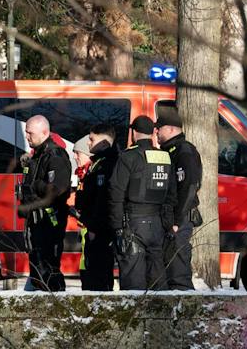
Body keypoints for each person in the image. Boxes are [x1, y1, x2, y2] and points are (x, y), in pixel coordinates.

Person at [107, 114, 177, 291]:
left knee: (133, 279)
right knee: (157, 276)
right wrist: (168, 223)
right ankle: (159, 315)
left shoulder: (128, 157)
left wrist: (117, 227)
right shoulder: (165, 157)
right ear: (153, 132)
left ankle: (135, 317)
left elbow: (116, 192)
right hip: (158, 224)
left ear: (133, 132)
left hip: (133, 223)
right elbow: (171, 194)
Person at [16, 114, 73, 290]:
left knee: (48, 267)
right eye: (26, 132)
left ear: (44, 132)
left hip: (49, 220)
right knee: (37, 266)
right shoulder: (38, 156)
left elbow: (56, 189)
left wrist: (36, 185)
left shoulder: (55, 155)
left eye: (30, 133)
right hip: (36, 219)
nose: (27, 137)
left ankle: (55, 304)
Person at [155, 101, 204, 289]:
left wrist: (176, 220)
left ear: (169, 129)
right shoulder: (169, 151)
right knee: (167, 268)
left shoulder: (184, 151)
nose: (156, 133)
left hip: (179, 219)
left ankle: (184, 312)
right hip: (169, 218)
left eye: (158, 129)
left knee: (178, 270)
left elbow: (189, 187)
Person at [73, 128, 119, 291]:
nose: (88, 142)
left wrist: (95, 225)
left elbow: (103, 199)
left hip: (99, 230)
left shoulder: (107, 164)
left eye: (91, 139)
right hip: (92, 229)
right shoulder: (97, 165)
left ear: (104, 140)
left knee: (99, 276)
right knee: (91, 275)